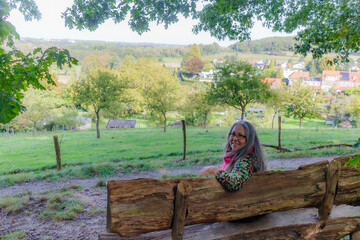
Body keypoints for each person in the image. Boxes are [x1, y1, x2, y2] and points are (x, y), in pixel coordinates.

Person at [200, 120, 267, 192]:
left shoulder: (246, 160)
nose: (235, 138)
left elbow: (235, 183)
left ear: (249, 140)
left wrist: (213, 169)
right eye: (233, 134)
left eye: (240, 135)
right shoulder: (233, 156)